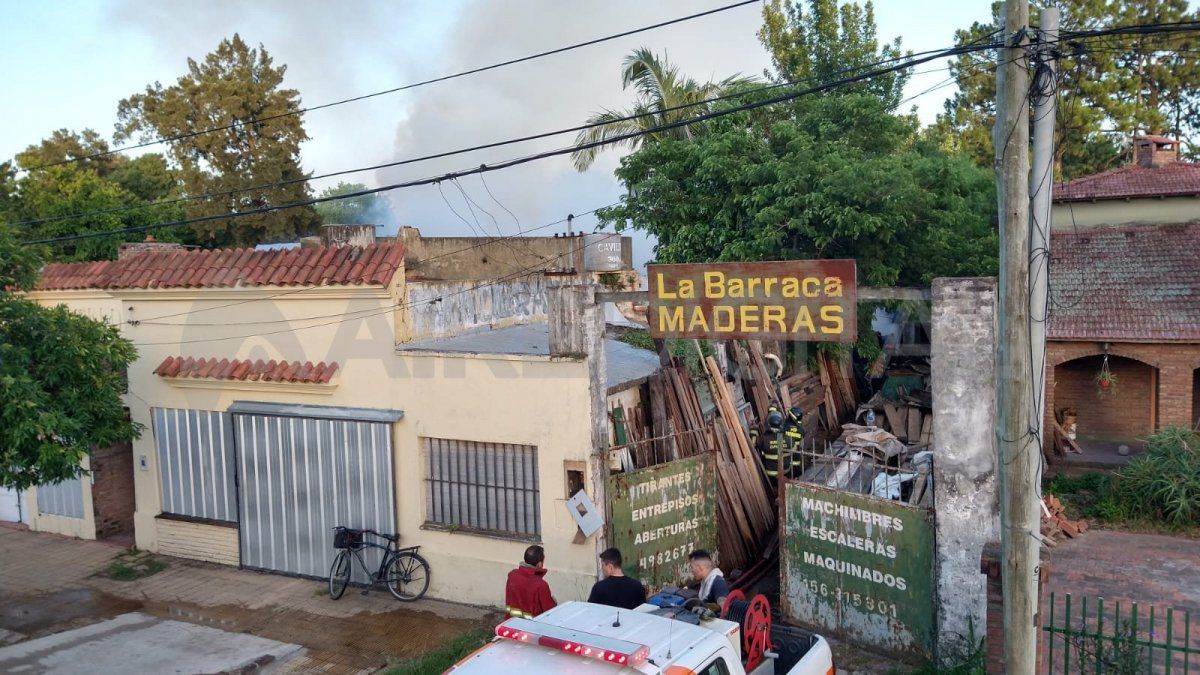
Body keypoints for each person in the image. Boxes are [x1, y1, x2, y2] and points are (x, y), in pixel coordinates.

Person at [505, 545, 557, 618]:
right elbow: (550, 611)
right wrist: (554, 602)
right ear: (539, 564)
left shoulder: (512, 576)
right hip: (531, 627)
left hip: (512, 623)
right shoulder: (541, 585)